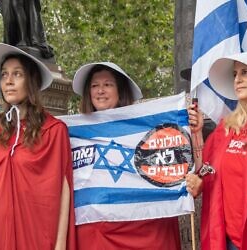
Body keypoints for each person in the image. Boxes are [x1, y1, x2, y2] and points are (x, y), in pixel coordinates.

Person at [0, 43, 75, 249]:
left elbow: (64, 189)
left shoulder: (54, 130)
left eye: (17, 74)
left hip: (35, 236)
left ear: (31, 81)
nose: (8, 81)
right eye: (4, 75)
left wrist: (60, 243)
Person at [72, 62, 181, 250]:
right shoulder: (73, 132)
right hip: (97, 233)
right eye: (95, 86)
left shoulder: (147, 126)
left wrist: (192, 131)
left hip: (141, 227)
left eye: (108, 84)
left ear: (120, 91)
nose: (100, 91)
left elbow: (171, 166)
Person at [186, 49, 247, 250]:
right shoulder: (227, 127)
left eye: (246, 72)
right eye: (235, 74)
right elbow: (207, 171)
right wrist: (196, 135)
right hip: (228, 241)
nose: (237, 79)